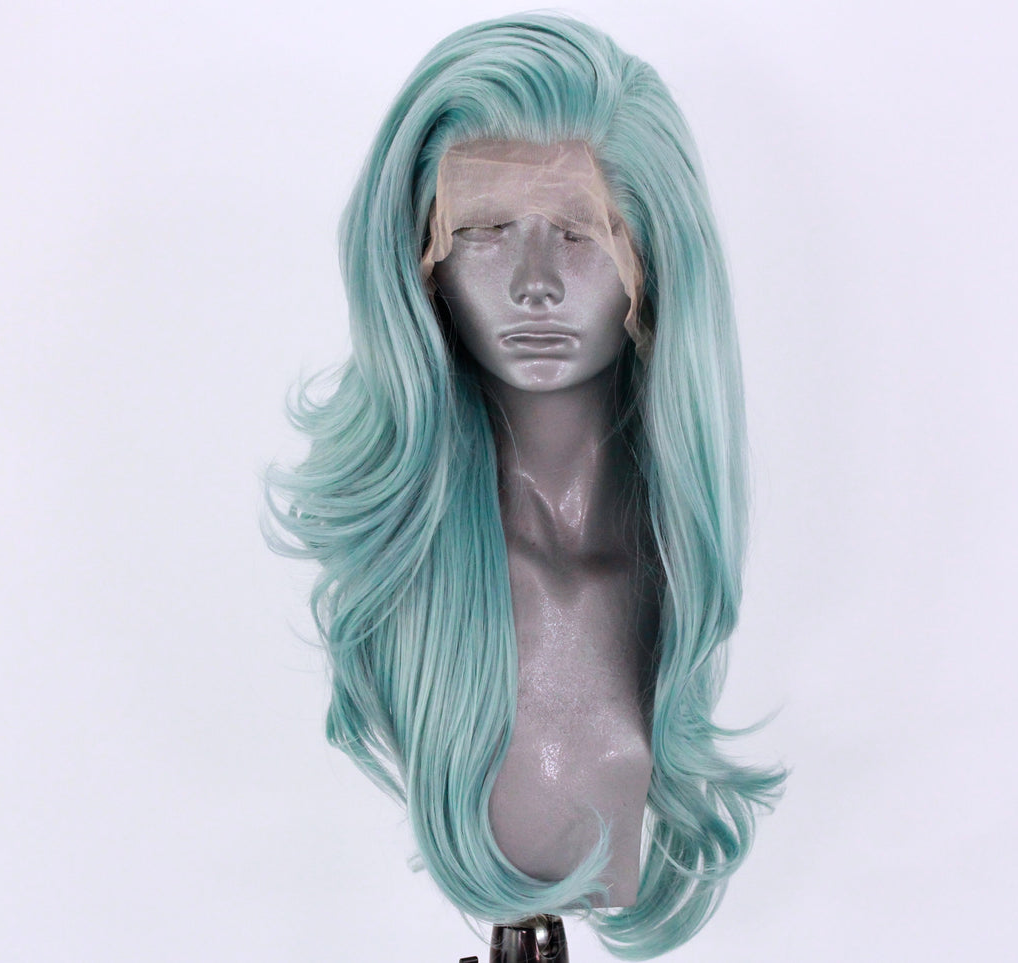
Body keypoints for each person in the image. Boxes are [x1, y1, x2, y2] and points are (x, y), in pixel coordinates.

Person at [265, 14, 783, 958]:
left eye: (579, 234)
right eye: (485, 231)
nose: (533, 283)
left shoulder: (667, 571)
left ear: (652, 262)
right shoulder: (411, 579)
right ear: (420, 268)